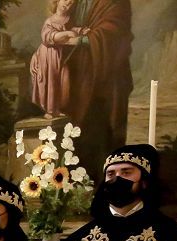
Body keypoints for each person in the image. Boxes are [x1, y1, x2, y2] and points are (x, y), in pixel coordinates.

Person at [62, 0, 133, 177]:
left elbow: (116, 30)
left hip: (106, 79)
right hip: (79, 77)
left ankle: (105, 181)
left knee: (101, 131)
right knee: (77, 132)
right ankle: (78, 183)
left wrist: (83, 39)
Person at [30, 0, 90, 118]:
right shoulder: (50, 21)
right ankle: (50, 110)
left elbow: (72, 29)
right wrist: (67, 33)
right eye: (65, 0)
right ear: (56, 2)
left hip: (59, 55)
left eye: (71, 3)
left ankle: (57, 108)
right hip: (48, 54)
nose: (67, 4)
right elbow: (50, 37)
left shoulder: (67, 19)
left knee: (62, 80)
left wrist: (81, 31)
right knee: (51, 81)